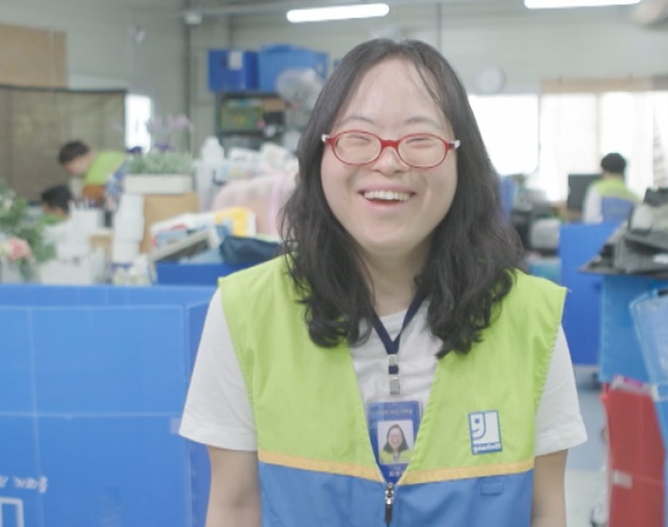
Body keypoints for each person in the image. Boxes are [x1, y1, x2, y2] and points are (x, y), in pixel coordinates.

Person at [180, 38, 586, 527]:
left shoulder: (531, 321)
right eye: (358, 136)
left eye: (420, 139)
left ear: (462, 159)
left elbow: (546, 511)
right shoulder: (245, 313)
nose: (389, 161)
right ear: (320, 152)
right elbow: (234, 505)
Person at [56, 140, 125, 204]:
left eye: (69, 170)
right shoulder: (109, 155)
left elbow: (90, 196)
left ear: (79, 160)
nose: (71, 174)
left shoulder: (96, 170)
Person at [581, 152, 640, 223]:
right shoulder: (634, 196)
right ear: (623, 171)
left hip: (601, 229)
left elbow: (590, 219)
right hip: (624, 230)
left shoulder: (597, 189)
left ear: (603, 171)